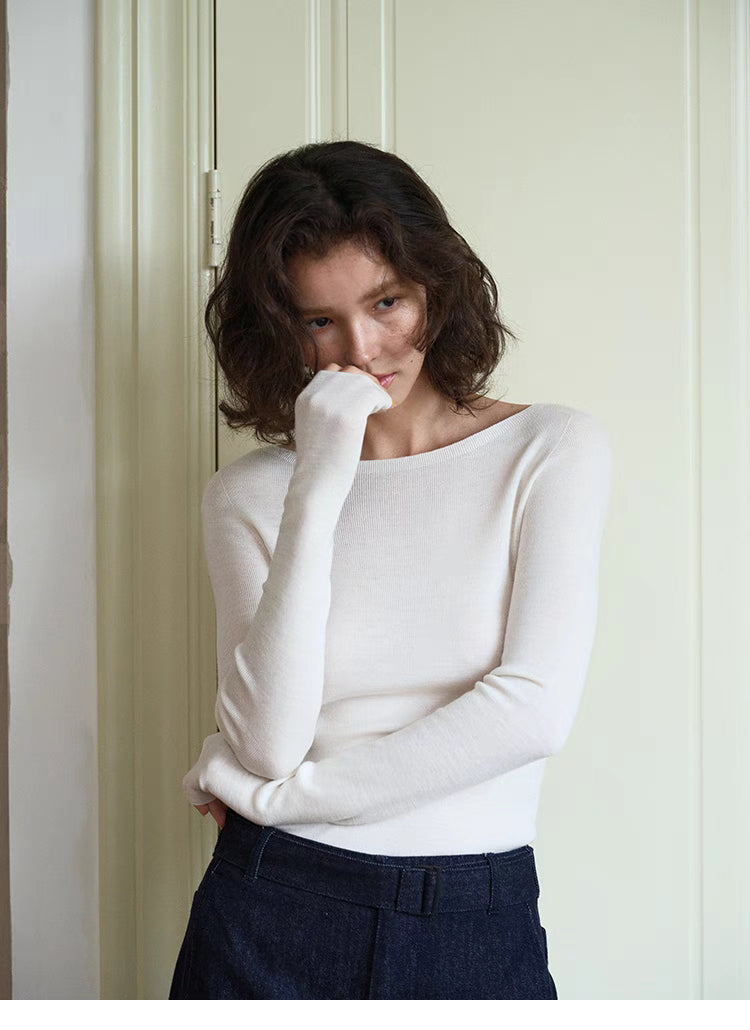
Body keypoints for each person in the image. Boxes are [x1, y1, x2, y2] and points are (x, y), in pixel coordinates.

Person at [168, 140, 612, 1000]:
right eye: (318, 321)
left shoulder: (549, 448)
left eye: (386, 302)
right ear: (280, 329)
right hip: (269, 907)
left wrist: (275, 801)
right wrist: (318, 480)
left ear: (435, 287)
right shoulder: (246, 496)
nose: (362, 349)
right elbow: (268, 744)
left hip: (472, 917)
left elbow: (531, 713)